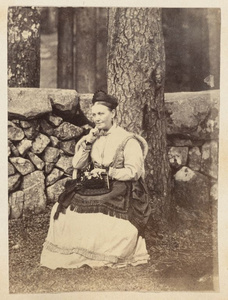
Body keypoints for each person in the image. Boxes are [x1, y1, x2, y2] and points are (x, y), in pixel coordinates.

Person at [40, 90, 151, 269]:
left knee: (103, 214)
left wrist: (109, 172)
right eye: (93, 114)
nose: (96, 118)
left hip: (121, 186)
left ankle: (100, 253)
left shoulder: (127, 140)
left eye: (101, 114)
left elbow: (134, 172)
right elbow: (77, 164)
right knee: (63, 207)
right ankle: (74, 251)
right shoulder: (92, 138)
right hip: (95, 184)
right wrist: (89, 142)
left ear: (113, 113)